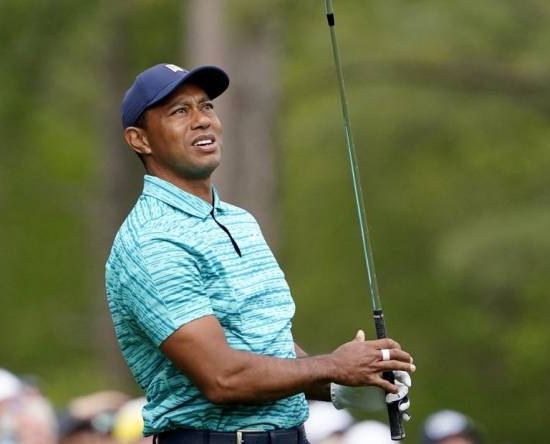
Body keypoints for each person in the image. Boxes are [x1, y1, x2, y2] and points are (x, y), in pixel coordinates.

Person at [105, 63, 415, 444]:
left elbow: (267, 349)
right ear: (140, 140)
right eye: (179, 111)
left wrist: (343, 384)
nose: (202, 121)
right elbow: (222, 378)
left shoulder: (238, 220)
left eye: (206, 107)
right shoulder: (152, 240)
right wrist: (333, 365)